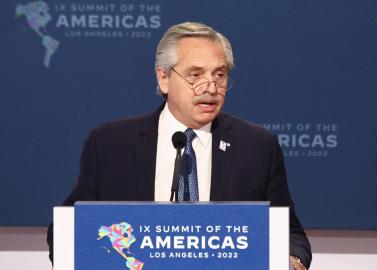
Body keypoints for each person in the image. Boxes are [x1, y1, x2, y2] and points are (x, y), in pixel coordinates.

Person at [47, 22, 312, 269]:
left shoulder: (257, 147)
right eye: (195, 75)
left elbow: (290, 234)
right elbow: (67, 229)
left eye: (220, 75)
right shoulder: (110, 144)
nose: (210, 87)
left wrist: (290, 260)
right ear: (163, 79)